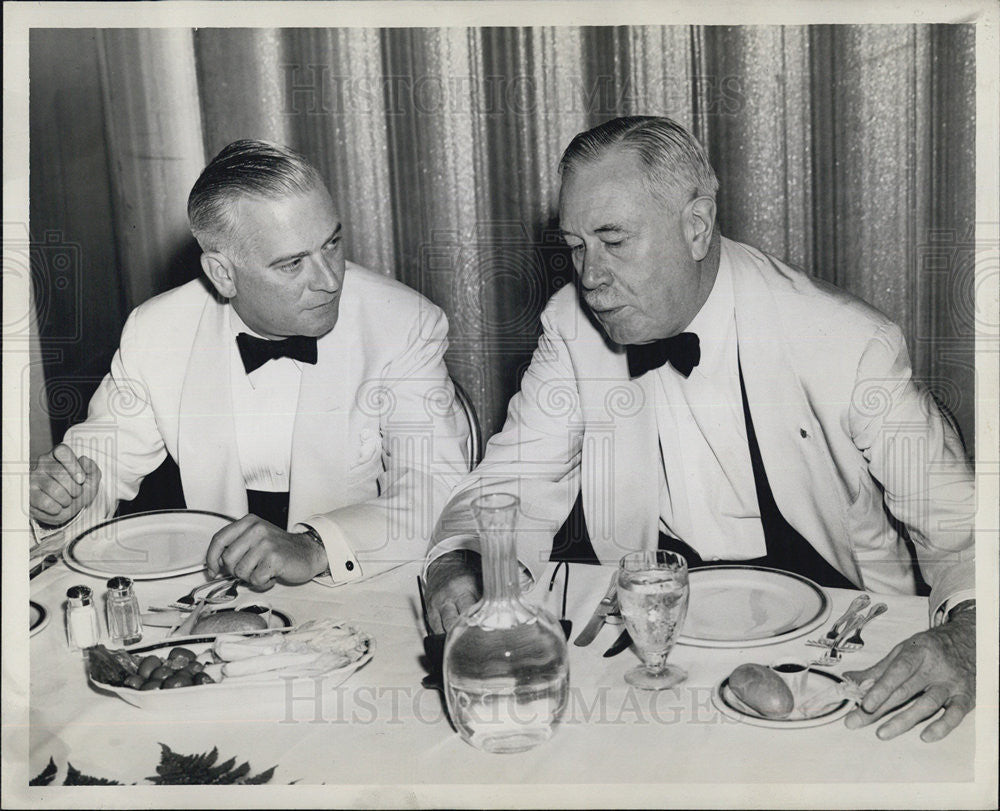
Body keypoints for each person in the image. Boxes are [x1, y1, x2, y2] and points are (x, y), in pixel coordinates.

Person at [423, 117, 975, 742]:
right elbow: (510, 482)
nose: (590, 277)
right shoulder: (570, 329)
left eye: (614, 240)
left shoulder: (848, 343)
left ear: (696, 225)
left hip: (836, 648)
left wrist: (974, 635)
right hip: (646, 650)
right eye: (576, 246)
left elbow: (965, 530)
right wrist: (463, 561)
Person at [30, 139, 470, 588]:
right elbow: (99, 467)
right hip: (215, 598)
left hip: (360, 583)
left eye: (332, 243)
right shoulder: (156, 331)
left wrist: (315, 545)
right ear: (222, 273)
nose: (330, 279)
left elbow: (439, 490)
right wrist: (60, 500)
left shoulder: (403, 322)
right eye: (293, 263)